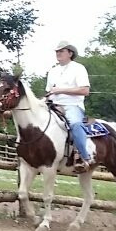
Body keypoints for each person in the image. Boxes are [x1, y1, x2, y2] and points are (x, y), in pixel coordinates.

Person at [45, 40, 94, 172]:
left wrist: (60, 90)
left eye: (61, 51)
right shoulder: (52, 71)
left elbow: (85, 91)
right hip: (54, 104)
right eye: (57, 51)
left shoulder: (78, 68)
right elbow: (49, 92)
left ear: (70, 53)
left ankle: (83, 157)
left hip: (72, 105)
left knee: (76, 124)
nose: (58, 53)